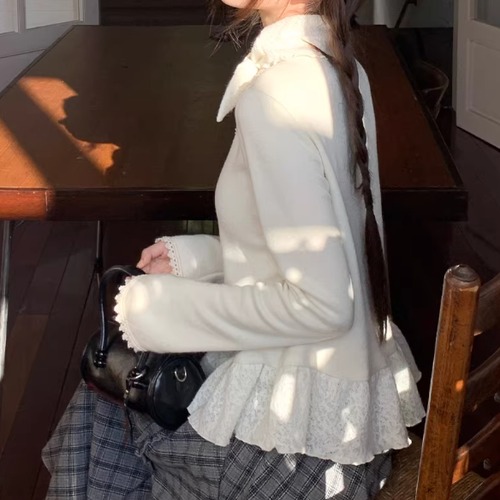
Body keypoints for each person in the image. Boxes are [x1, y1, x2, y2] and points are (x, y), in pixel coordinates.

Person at [42, 1, 425, 498]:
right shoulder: (337, 63)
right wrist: (199, 259)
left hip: (294, 462)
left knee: (101, 407)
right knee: (108, 396)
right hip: (342, 431)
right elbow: (333, 248)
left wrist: (157, 310)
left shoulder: (275, 94)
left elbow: (324, 304)